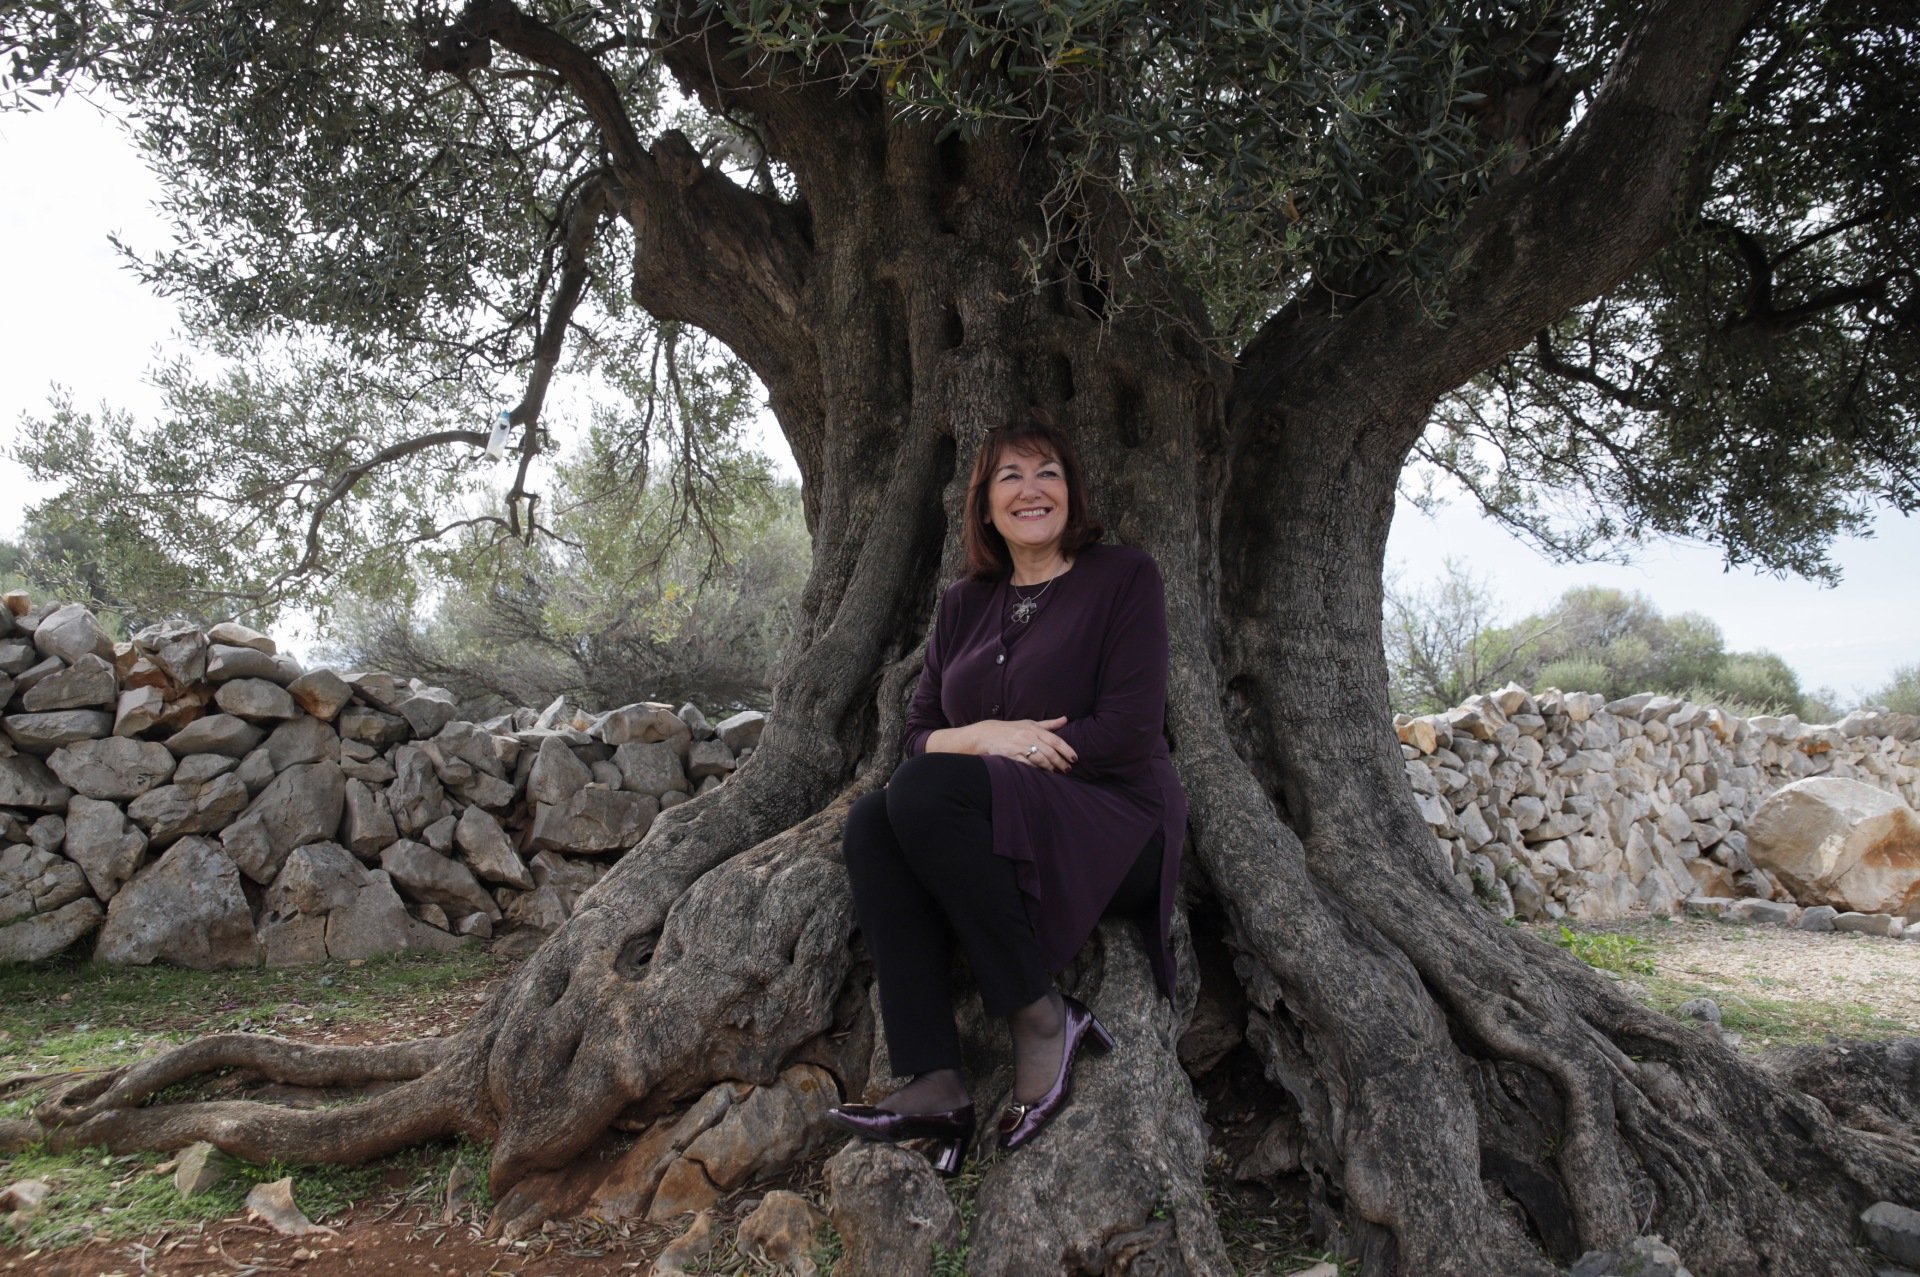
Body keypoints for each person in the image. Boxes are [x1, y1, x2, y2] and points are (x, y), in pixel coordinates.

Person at [825, 410, 1185, 1176]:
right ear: (985, 503)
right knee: (870, 822)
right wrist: (993, 734)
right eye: (1009, 477)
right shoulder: (963, 604)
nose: (1030, 490)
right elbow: (919, 732)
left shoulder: (1123, 576)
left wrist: (1014, 756)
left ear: (1072, 492)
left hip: (1114, 820)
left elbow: (1126, 729)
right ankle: (936, 1080)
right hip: (1002, 805)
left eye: (1047, 472)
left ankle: (1042, 1016)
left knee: (919, 794)